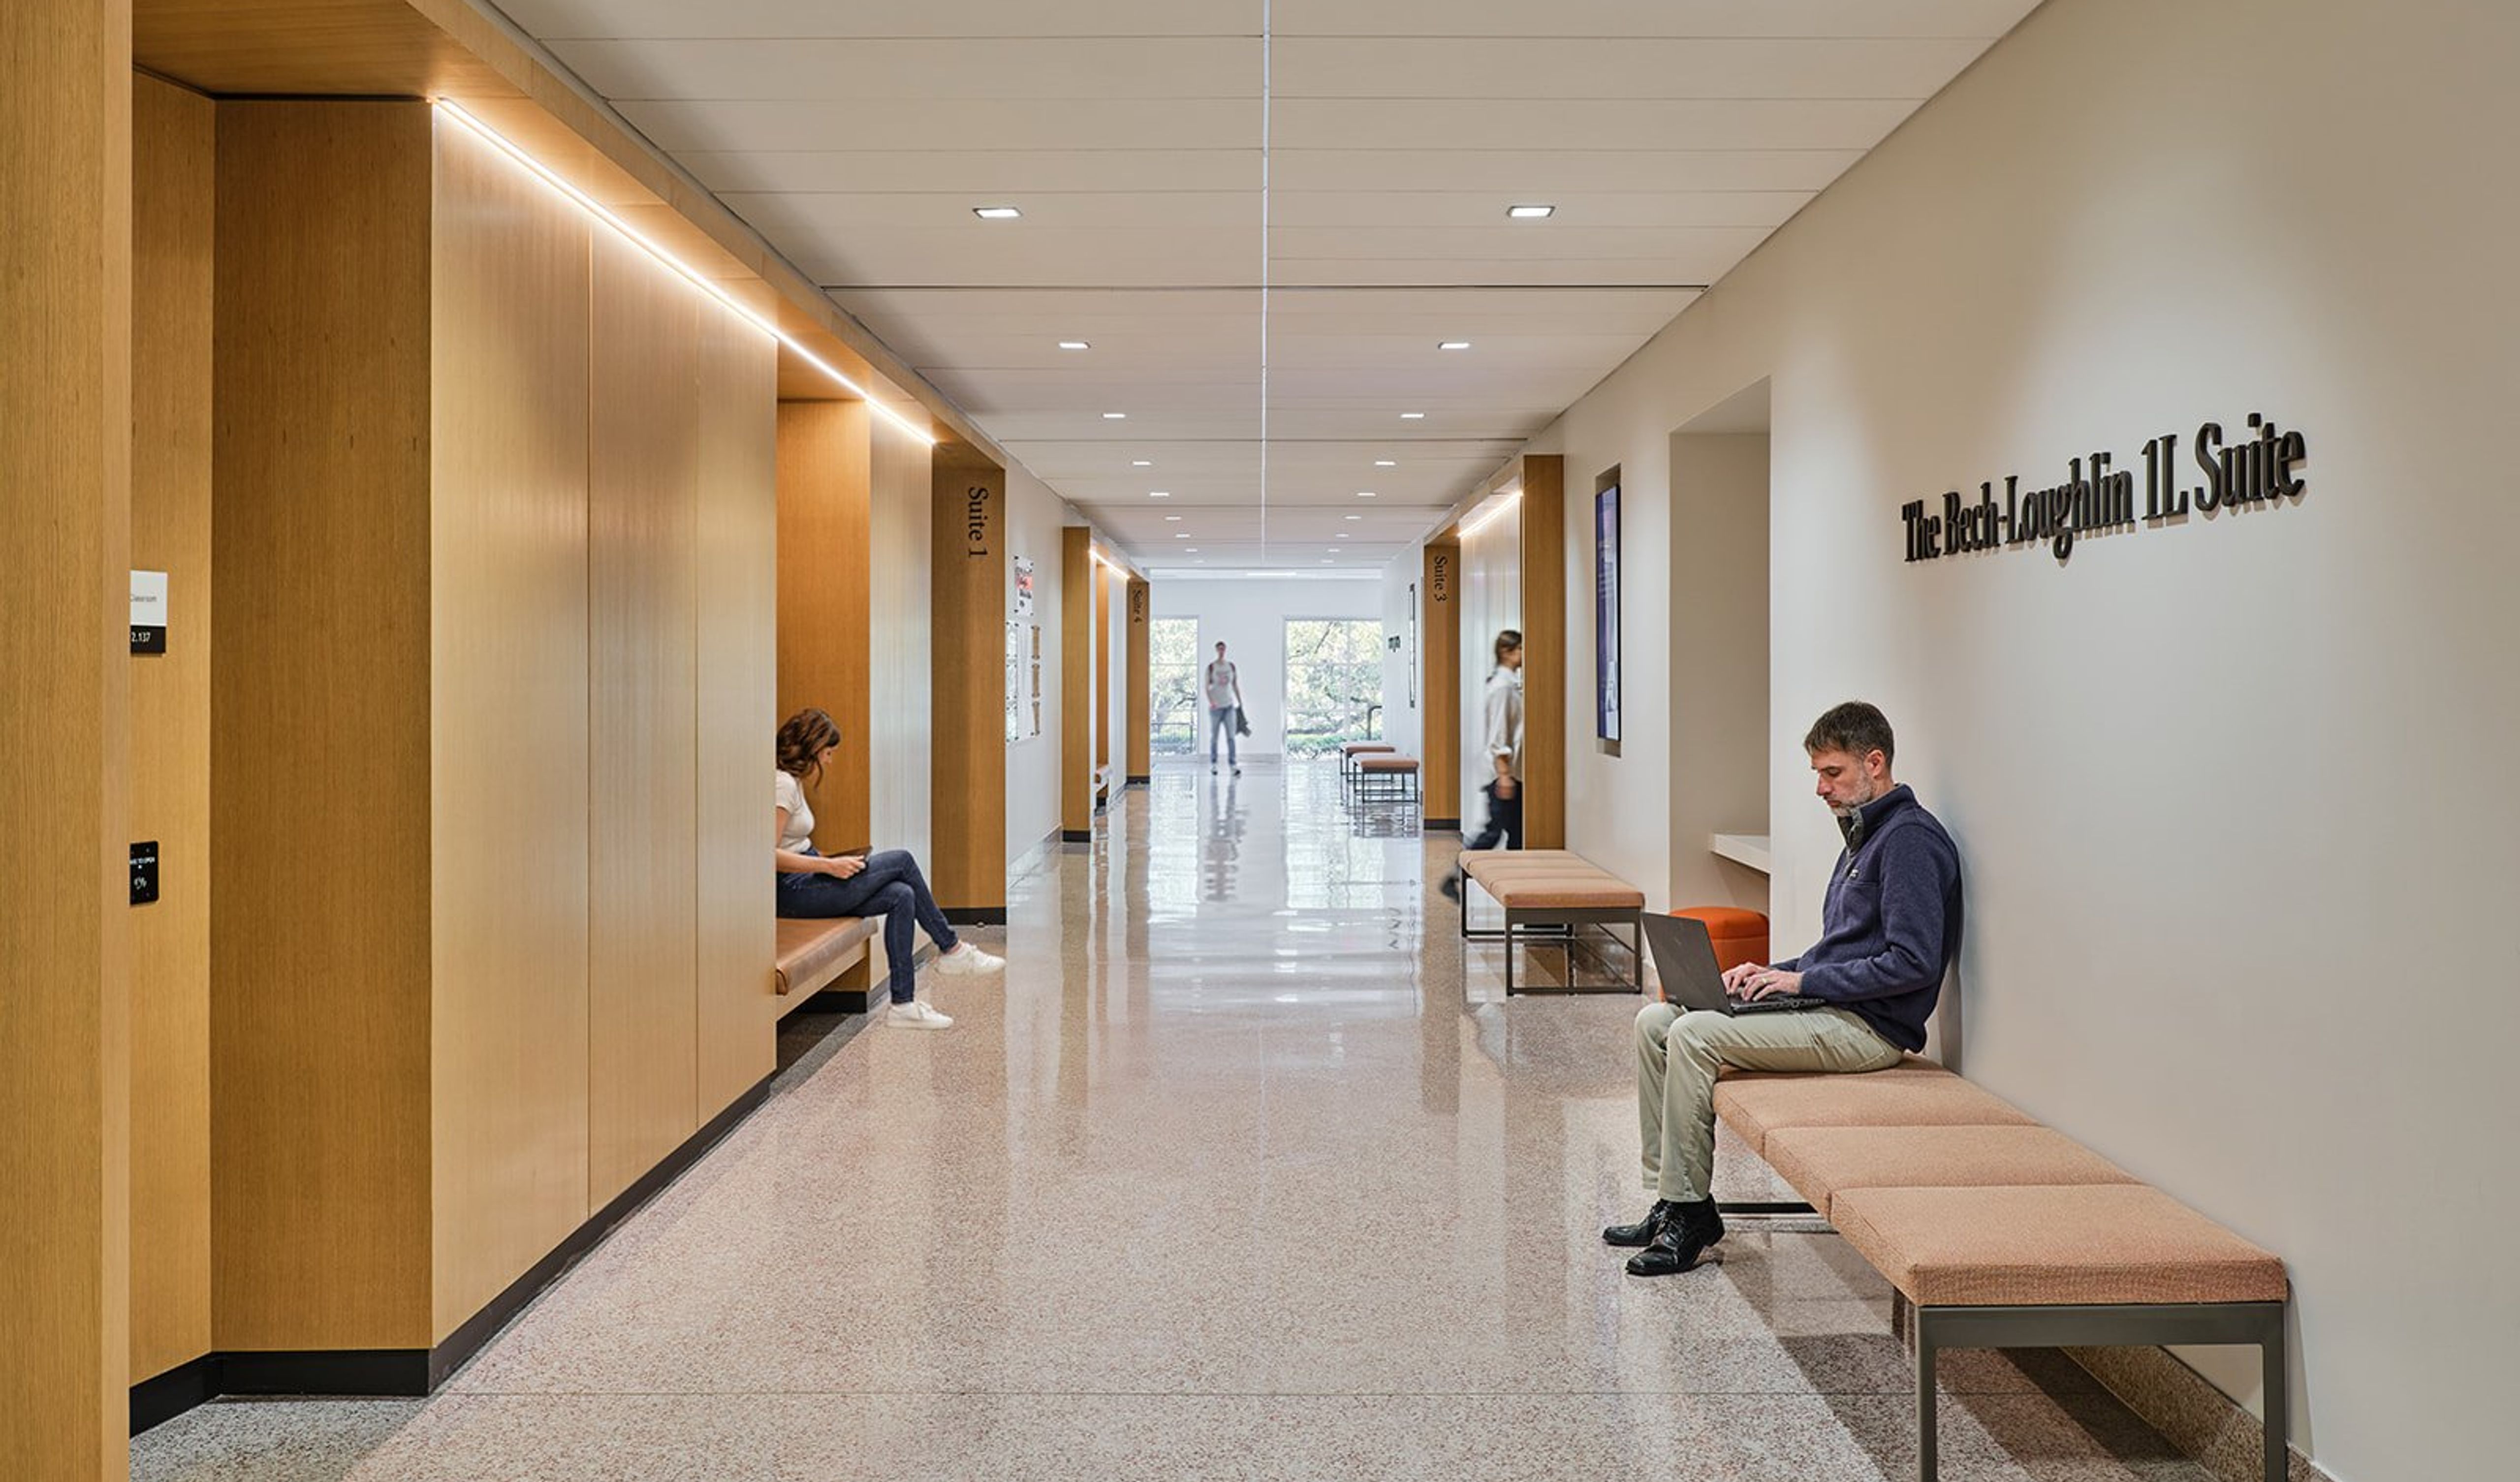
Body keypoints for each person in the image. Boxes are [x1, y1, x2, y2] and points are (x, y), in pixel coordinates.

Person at [1607, 701, 1962, 1275]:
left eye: (1832, 772)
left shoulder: (1909, 842)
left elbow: (1912, 963)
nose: (1820, 788)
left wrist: (1802, 979)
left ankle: (1693, 1215)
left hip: (1868, 1029)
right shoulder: (1863, 835)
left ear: (1874, 763)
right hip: (1831, 1005)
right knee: (1656, 1021)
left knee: (1696, 1034)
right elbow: (1840, 948)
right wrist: (1766, 972)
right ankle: (1670, 1198)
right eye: (1818, 774)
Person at [774, 707, 1002, 1030]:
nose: (829, 760)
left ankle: (903, 1004)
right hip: (793, 890)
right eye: (828, 752)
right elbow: (767, 855)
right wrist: (828, 865)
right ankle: (952, 947)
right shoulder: (782, 785)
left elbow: (793, 843)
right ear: (812, 747)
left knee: (901, 894)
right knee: (903, 860)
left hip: (808, 878)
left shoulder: (792, 782)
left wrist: (832, 861)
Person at [1439, 629, 1525, 902]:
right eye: (1521, 649)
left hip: (1508, 771)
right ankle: (1455, 875)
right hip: (1502, 773)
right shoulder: (1502, 687)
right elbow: (1499, 734)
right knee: (1494, 831)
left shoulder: (1509, 684)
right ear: (1507, 652)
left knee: (1517, 834)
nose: (1525, 654)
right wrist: (1504, 775)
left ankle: (1519, 887)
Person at [1204, 641, 1245, 776]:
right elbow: (1206, 687)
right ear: (1216, 650)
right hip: (1216, 708)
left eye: (1223, 649)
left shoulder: (1231, 667)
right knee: (1214, 737)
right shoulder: (1211, 667)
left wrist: (1240, 702)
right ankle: (1214, 764)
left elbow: (1235, 685)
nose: (1221, 651)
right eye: (1219, 649)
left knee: (1231, 737)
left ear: (1225, 650)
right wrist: (1212, 702)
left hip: (1229, 707)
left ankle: (1233, 765)